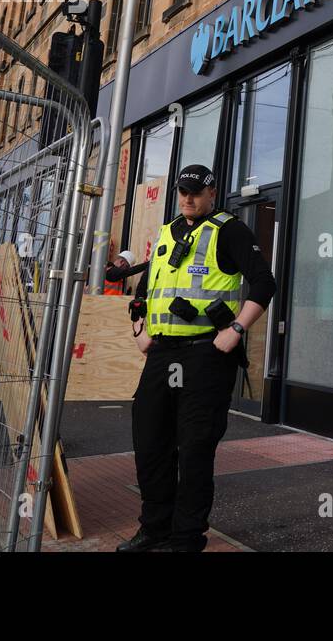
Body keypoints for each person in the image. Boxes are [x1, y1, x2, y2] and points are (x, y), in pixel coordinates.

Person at [117, 164, 277, 552]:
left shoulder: (229, 230)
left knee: (194, 449)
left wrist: (236, 330)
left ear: (211, 192)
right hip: (162, 355)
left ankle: (187, 538)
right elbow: (146, 288)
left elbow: (264, 282)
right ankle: (155, 528)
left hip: (206, 356)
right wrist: (140, 331)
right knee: (151, 442)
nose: (188, 198)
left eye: (195, 192)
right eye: (182, 191)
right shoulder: (168, 232)